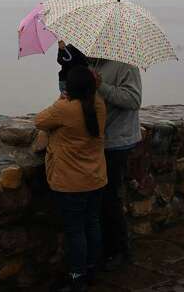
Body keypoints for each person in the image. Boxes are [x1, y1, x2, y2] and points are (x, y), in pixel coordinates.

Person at [35, 65, 107, 292]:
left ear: (71, 87)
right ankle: (93, 269)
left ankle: (77, 277)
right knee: (92, 223)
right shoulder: (99, 104)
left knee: (76, 231)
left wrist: (61, 99)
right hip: (95, 178)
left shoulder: (65, 108)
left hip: (70, 182)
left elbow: (39, 121)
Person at [91, 58, 142, 269]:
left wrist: (100, 86)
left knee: (110, 198)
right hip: (101, 140)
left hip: (118, 141)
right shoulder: (94, 63)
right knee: (101, 199)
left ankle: (121, 252)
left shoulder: (126, 64)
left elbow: (133, 99)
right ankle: (107, 249)